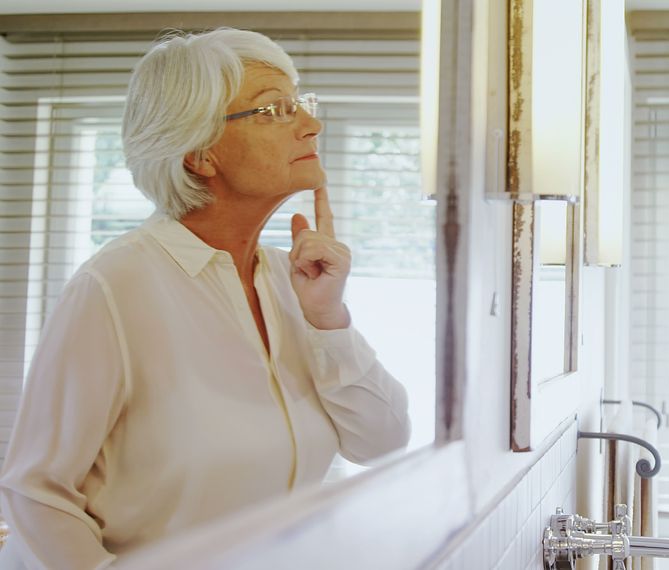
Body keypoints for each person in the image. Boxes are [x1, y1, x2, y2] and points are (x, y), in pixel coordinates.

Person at [0, 28, 411, 569]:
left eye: (301, 104)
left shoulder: (292, 282)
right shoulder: (115, 285)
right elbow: (37, 492)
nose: (311, 124)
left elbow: (381, 441)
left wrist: (327, 318)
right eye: (277, 109)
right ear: (199, 154)